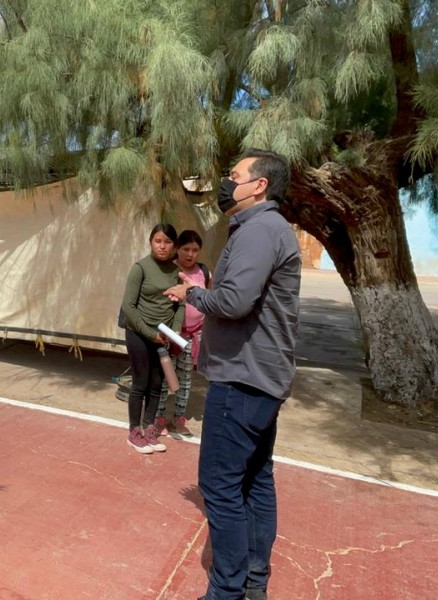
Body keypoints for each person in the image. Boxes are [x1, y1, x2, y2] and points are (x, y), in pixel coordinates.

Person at [167, 150, 300, 600]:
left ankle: (226, 591)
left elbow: (234, 301)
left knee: (220, 486)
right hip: (263, 377)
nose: (226, 182)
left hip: (242, 379)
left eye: (234, 176)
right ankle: (253, 582)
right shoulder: (268, 228)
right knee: (256, 479)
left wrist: (193, 294)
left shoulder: (260, 230)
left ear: (259, 185)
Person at [119, 223, 185, 454]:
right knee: (141, 383)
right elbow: (128, 306)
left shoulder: (177, 272)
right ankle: (134, 432)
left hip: (163, 338)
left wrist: (173, 332)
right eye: (158, 241)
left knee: (157, 385)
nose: (162, 246)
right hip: (139, 333)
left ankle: (149, 430)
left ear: (174, 245)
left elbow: (181, 306)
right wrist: (150, 334)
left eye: (167, 242)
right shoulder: (140, 268)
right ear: (150, 242)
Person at [154, 229, 212, 437]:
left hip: (192, 337)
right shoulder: (169, 269)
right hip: (169, 335)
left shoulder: (204, 273)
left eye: (195, 250)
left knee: (185, 379)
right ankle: (159, 418)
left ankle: (179, 418)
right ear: (177, 249)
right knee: (164, 378)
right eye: (186, 249)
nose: (190, 254)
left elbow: (209, 299)